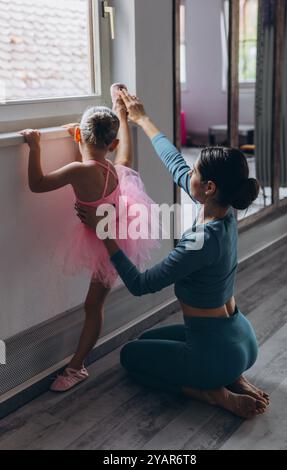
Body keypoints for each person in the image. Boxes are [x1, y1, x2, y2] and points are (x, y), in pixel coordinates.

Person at [76, 89, 270, 419]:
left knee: (131, 355)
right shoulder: (224, 211)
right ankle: (230, 374)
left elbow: (139, 284)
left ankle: (214, 392)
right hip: (240, 337)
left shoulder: (199, 241)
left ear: (208, 187)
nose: (187, 174)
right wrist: (141, 118)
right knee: (150, 339)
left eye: (195, 172)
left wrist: (104, 229)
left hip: (216, 351)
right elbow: (175, 164)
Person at [20, 85, 159, 392]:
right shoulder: (114, 167)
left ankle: (77, 366)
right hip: (120, 233)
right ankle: (77, 364)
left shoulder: (78, 170)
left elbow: (38, 184)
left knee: (91, 306)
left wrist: (35, 146)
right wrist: (119, 113)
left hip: (105, 240)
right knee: (93, 305)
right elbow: (124, 154)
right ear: (112, 144)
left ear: (81, 136)